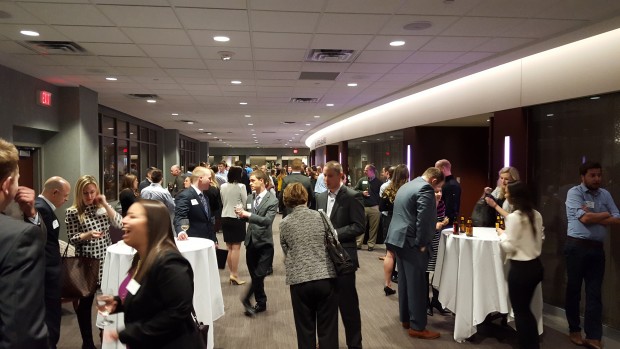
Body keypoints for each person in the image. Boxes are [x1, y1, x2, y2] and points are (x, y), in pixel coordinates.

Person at [101, 200, 203, 349]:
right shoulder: (141, 259)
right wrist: (118, 303)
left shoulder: (170, 263)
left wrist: (129, 333)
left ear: (151, 225)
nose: (124, 220)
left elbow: (177, 312)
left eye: (132, 217)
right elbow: (147, 295)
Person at [384, 167, 444, 340]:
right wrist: (422, 244)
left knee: (404, 281)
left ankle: (406, 319)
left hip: (398, 239)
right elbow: (425, 221)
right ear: (433, 181)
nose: (437, 191)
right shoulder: (425, 189)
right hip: (412, 242)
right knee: (417, 284)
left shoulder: (407, 185)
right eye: (438, 188)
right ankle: (417, 326)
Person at [565, 161, 620, 349]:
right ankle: (574, 329)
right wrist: (605, 215)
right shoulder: (574, 193)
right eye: (592, 175)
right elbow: (585, 218)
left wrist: (596, 215)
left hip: (597, 249)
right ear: (583, 177)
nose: (597, 179)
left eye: (599, 175)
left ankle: (593, 336)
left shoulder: (605, 194)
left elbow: (617, 217)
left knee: (594, 293)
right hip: (576, 247)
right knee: (573, 290)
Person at [0, 138, 48, 349]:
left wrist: (31, 213)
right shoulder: (19, 236)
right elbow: (21, 331)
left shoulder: (21, 213)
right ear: (7, 184)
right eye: (18, 179)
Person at [66, 175, 123, 349]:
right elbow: (72, 238)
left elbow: (119, 224)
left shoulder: (102, 209)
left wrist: (105, 204)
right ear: (79, 193)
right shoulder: (73, 212)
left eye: (92, 192)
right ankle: (88, 343)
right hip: (87, 264)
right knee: (85, 306)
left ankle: (109, 340)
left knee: (107, 303)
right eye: (86, 193)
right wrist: (87, 235)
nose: (90, 196)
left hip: (106, 262)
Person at [280, 183, 338, 349]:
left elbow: (286, 250)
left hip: (299, 281)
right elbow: (334, 240)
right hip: (325, 276)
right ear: (306, 197)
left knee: (305, 328)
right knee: (328, 328)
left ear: (287, 201)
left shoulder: (284, 223)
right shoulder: (321, 216)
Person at [315, 161, 365, 349]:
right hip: (323, 258)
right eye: (324, 176)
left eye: (329, 176)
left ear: (340, 176)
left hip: (344, 258)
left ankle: (355, 344)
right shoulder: (319, 197)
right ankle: (327, 342)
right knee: (326, 305)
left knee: (348, 306)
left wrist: (335, 233)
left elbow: (359, 226)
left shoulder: (352, 196)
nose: (326, 179)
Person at [496, 181, 544, 349]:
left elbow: (509, 246)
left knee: (521, 312)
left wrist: (502, 235)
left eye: (507, 192)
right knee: (526, 310)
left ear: (514, 197)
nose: (505, 194)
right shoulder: (536, 214)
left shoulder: (514, 218)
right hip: (536, 267)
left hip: (521, 270)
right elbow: (540, 238)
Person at [235, 170, 278, 316]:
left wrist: (248, 215)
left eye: (253, 180)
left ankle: (246, 299)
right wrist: (241, 215)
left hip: (265, 244)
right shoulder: (249, 198)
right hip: (250, 242)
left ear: (263, 181)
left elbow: (267, 221)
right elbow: (249, 219)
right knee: (255, 277)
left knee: (259, 275)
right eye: (250, 181)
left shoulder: (272, 200)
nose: (250, 183)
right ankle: (261, 302)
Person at [36, 176, 71, 349]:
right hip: (46, 274)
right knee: (50, 317)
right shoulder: (40, 209)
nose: (66, 199)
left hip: (52, 272)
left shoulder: (47, 208)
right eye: (65, 195)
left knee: (53, 316)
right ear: (55, 192)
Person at [379, 164, 408, 296]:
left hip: (390, 220)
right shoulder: (408, 189)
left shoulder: (388, 189)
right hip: (404, 222)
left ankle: (387, 283)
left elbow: (381, 208)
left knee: (390, 254)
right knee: (404, 255)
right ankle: (405, 284)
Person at [220, 166, 248, 285]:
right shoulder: (241, 186)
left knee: (229, 247)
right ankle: (234, 274)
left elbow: (222, 201)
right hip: (237, 217)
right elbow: (245, 201)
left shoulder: (222, 186)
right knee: (236, 248)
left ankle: (232, 273)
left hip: (225, 217)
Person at [173, 166, 216, 242]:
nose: (211, 181)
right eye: (209, 178)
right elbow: (180, 217)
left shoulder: (205, 196)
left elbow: (208, 221)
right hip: (193, 241)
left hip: (207, 240)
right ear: (200, 178)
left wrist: (214, 239)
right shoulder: (185, 195)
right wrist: (181, 231)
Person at [426, 187, 450, 316]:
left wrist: (444, 222)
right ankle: (426, 303)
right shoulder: (425, 203)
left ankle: (437, 301)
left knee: (438, 271)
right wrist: (436, 225)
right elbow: (422, 223)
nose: (439, 194)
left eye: (441, 191)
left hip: (438, 241)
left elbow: (440, 221)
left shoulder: (441, 204)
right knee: (426, 273)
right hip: (427, 242)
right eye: (436, 191)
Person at [354, 164, 382, 251]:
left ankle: (371, 245)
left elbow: (382, 195)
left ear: (372, 171)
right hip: (363, 207)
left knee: (373, 228)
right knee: (361, 226)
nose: (364, 171)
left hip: (374, 208)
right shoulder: (362, 180)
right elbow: (355, 190)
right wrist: (362, 193)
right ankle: (358, 244)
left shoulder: (379, 182)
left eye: (366, 170)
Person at [435, 159, 461, 225]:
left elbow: (451, 207)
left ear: (443, 169)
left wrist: (443, 222)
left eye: (436, 170)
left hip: (446, 223)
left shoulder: (451, 185)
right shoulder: (445, 184)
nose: (435, 173)